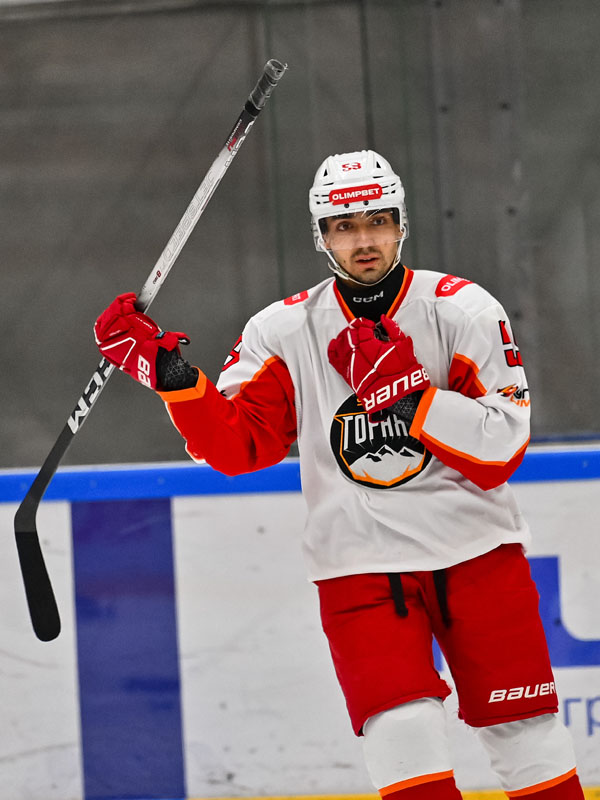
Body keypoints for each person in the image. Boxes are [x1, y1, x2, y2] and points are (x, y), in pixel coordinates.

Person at [94, 150, 584, 799]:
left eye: (377, 221)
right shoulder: (283, 329)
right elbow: (238, 447)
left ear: (401, 224)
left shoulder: (462, 309)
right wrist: (174, 378)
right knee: (402, 738)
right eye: (344, 226)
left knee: (526, 737)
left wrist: (411, 398)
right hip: (359, 569)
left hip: (477, 555)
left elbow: (503, 448)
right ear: (321, 235)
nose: (364, 239)